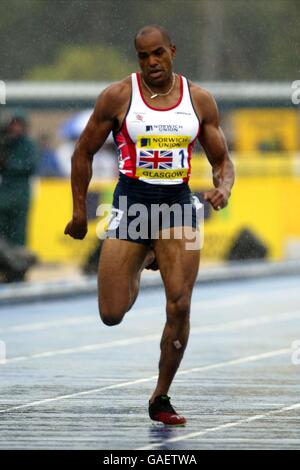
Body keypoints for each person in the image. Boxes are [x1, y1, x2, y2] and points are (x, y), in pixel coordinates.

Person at [65, 25, 235, 425]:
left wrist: (223, 189)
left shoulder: (199, 100)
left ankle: (161, 396)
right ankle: (141, 261)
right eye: (143, 56)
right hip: (131, 203)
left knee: (179, 303)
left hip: (178, 206)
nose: (151, 62)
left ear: (172, 51)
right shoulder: (119, 96)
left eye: (158, 53)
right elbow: (82, 152)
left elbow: (222, 162)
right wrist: (77, 212)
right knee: (111, 312)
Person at [0, 111, 38, 247]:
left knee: (19, 231)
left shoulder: (29, 145)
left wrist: (9, 164)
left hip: (20, 194)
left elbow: (31, 166)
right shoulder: (5, 143)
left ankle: (17, 261)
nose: (15, 128)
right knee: (3, 230)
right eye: (12, 125)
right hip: (4, 194)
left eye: (18, 125)